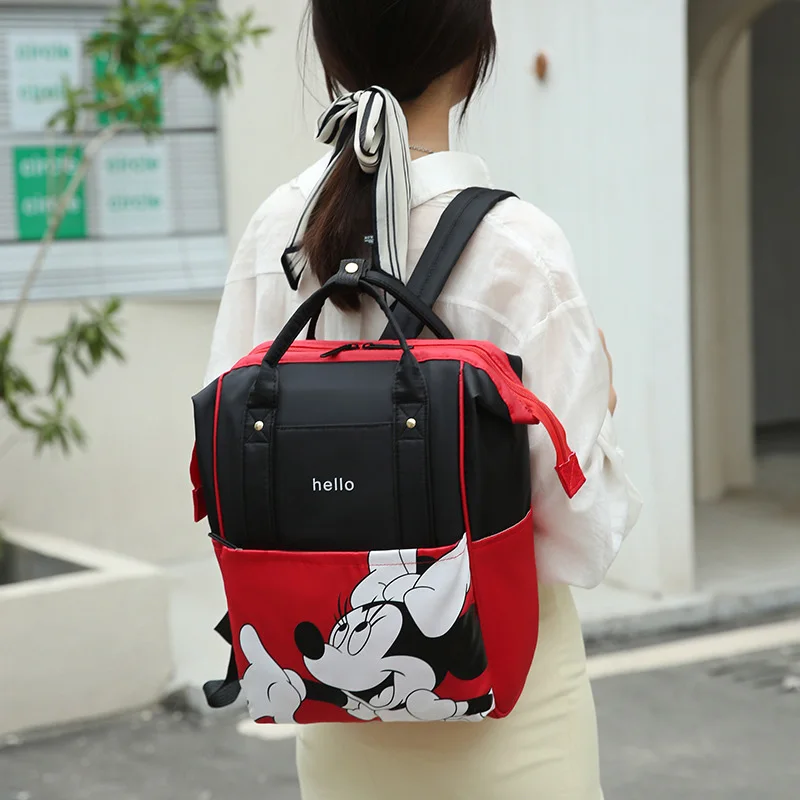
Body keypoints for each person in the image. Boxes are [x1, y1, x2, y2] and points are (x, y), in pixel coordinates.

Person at [204, 1, 641, 797]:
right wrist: (600, 400)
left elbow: (221, 470)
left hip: (334, 698)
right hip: (508, 709)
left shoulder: (277, 232)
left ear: (331, 53)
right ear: (475, 52)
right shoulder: (518, 247)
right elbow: (581, 532)